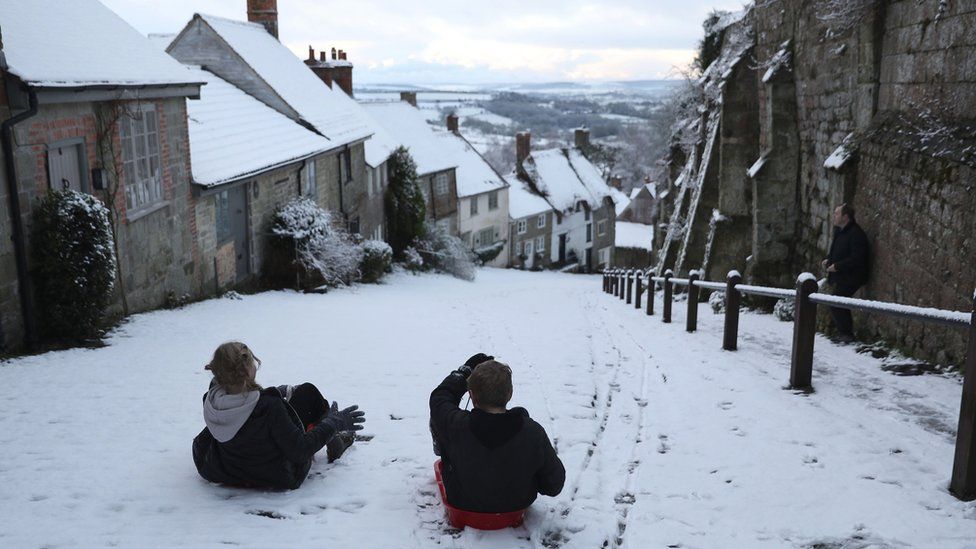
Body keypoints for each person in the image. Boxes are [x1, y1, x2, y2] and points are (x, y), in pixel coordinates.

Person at [192, 341, 365, 490]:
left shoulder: (212, 399)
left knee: (297, 399)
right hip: (277, 474)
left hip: (225, 469)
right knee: (308, 392)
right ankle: (336, 441)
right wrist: (333, 423)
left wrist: (273, 393)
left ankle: (330, 434)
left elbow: (240, 410)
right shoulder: (269, 408)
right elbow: (300, 450)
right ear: (247, 371)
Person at [429, 354, 565, 513]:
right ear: (510, 394)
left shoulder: (456, 424)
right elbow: (554, 485)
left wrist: (463, 372)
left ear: (471, 396)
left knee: (439, 421)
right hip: (517, 504)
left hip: (463, 502)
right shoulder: (532, 432)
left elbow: (440, 398)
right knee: (521, 416)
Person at [821, 203, 870, 343]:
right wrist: (829, 261)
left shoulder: (856, 234)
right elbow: (836, 250)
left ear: (845, 217)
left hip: (853, 275)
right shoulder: (840, 231)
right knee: (839, 301)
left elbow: (857, 258)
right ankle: (844, 333)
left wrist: (838, 266)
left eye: (837, 214)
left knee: (837, 300)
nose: (834, 216)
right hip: (842, 275)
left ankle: (846, 334)